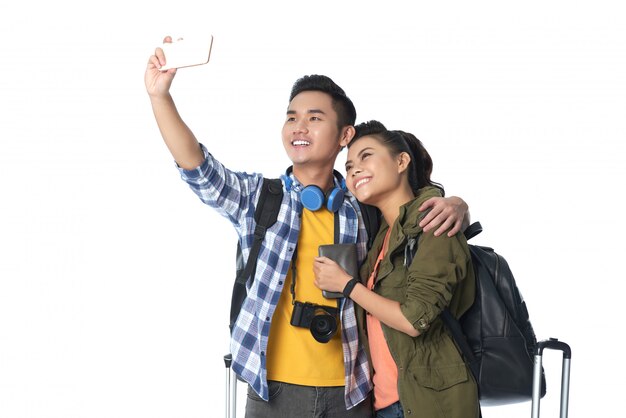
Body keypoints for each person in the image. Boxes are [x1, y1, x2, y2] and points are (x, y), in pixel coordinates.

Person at [145, 37, 470, 417]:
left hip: (352, 393)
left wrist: (453, 202)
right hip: (273, 392)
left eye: (315, 118)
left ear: (344, 135)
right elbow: (197, 166)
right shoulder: (260, 200)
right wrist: (160, 98)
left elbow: (407, 207)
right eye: (291, 117)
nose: (299, 126)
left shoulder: (361, 209)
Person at [314, 120, 480, 418]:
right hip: (385, 403)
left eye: (366, 156)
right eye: (349, 166)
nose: (354, 171)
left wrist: (348, 285)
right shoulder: (381, 235)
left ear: (402, 161)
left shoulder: (434, 223)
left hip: (431, 405)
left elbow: (413, 321)